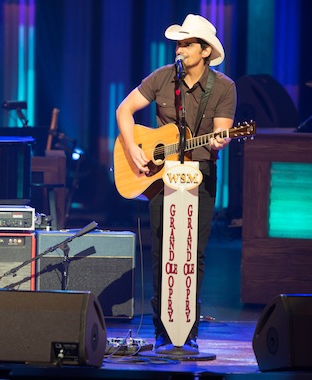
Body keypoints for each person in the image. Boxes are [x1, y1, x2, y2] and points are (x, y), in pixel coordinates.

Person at [116, 14, 236, 353]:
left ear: (204, 51)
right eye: (179, 44)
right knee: (162, 250)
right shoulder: (163, 78)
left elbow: (222, 131)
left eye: (186, 44)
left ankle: (189, 331)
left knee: (193, 254)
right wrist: (132, 149)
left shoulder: (224, 87)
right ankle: (161, 330)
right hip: (161, 178)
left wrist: (219, 141)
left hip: (200, 177)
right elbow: (124, 110)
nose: (179, 49)